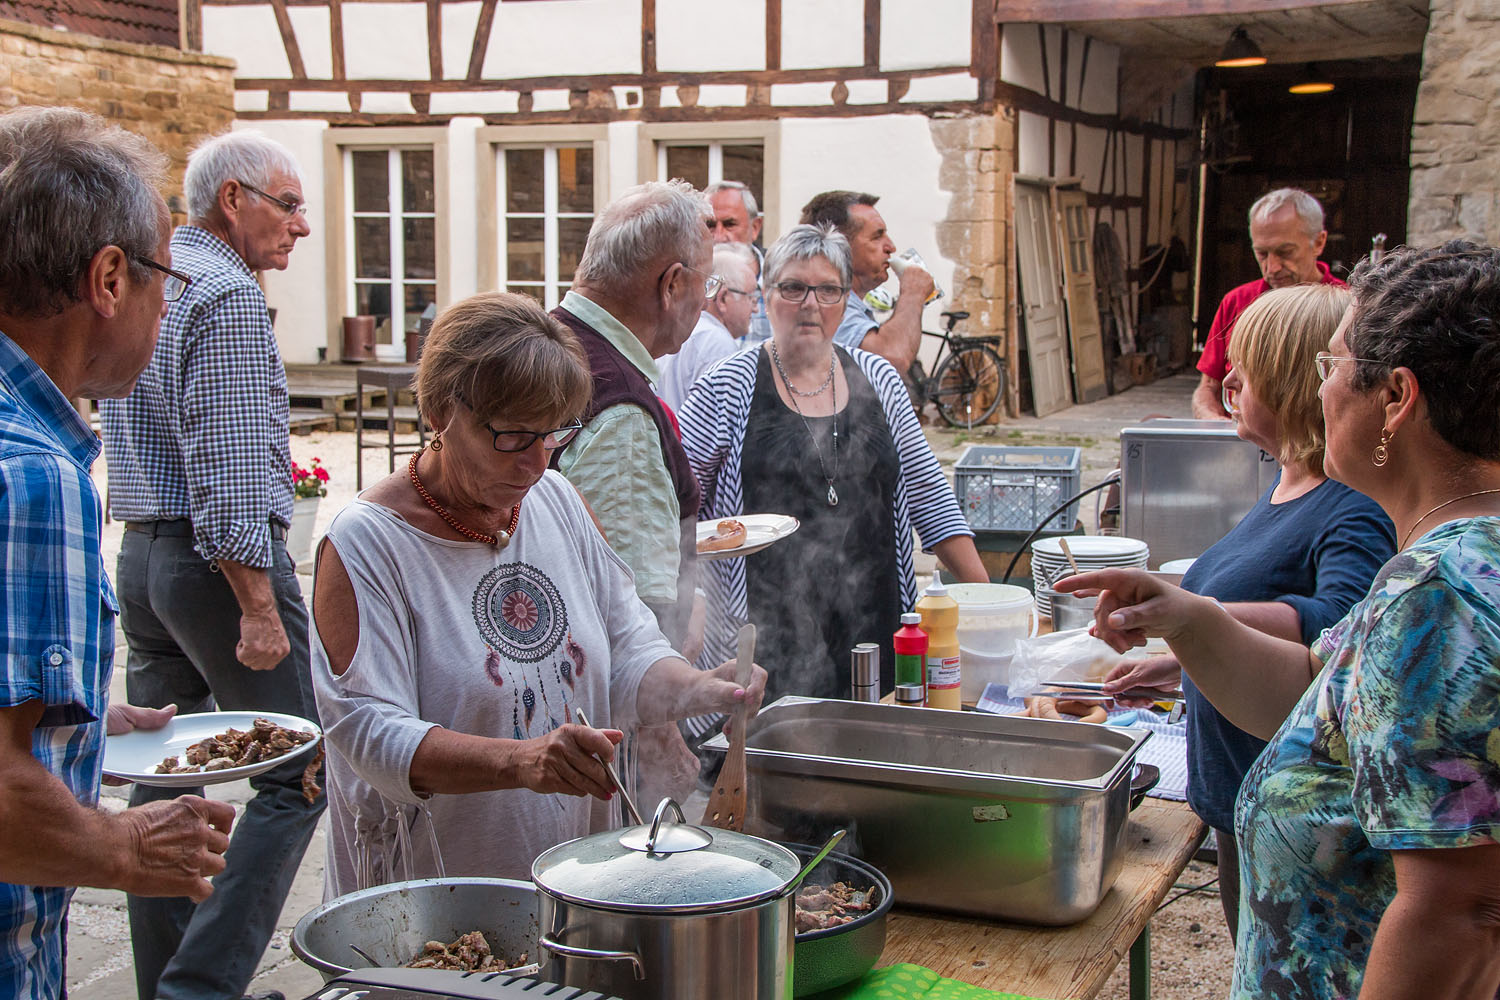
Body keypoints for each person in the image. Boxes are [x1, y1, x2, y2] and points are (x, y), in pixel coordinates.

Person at [1060, 241, 1500, 999]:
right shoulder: (1446, 562)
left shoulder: (1440, 593)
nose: (1321, 386)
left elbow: (1462, 912)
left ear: (1396, 398)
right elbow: (1313, 691)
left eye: (1332, 365)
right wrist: (1189, 621)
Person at [309, 292, 768, 894]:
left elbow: (629, 649)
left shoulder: (557, 502)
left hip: (573, 886)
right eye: (511, 436)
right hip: (428, 908)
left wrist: (699, 688)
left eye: (551, 435)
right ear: (440, 410)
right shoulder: (367, 543)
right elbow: (369, 733)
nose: (533, 463)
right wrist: (520, 760)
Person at [0, 106, 234, 1000]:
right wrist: (126, 845)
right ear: (108, 278)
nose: (167, 306)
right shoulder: (32, 475)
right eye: (163, 278)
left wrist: (76, 725)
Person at [97, 129, 324, 1000]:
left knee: (167, 775)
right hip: (215, 567)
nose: (301, 225)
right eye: (288, 204)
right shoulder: (225, 293)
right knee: (299, 774)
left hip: (146, 556)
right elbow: (227, 471)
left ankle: (166, 984)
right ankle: (199, 990)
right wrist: (258, 606)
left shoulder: (163, 277)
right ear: (233, 199)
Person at [1102, 283, 1394, 940]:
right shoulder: (1289, 484)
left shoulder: (1352, 504)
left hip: (1298, 830)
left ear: (1295, 382)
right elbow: (1265, 632)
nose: (1227, 381)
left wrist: (1191, 618)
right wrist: (1186, 665)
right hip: (1243, 804)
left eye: (1247, 368)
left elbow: (1340, 631)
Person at [679, 224, 987, 712]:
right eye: (793, 287)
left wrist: (989, 603)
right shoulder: (725, 386)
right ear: (765, 296)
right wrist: (687, 601)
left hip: (876, 621)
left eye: (828, 290)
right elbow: (677, 506)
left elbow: (931, 499)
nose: (811, 304)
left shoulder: (879, 379)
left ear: (846, 299)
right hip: (764, 634)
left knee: (878, 744)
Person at [1193, 188, 1345, 420]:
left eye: (1285, 252)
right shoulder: (1237, 302)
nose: (1272, 268)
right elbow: (1208, 388)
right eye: (1262, 254)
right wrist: (1214, 424)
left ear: (1318, 242)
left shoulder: (1349, 306)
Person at [799, 190, 935, 373]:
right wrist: (913, 292)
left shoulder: (839, 300)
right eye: (877, 237)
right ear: (840, 246)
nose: (891, 247)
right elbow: (892, 360)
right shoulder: (824, 302)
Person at [658, 242, 758, 411]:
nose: (755, 308)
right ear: (723, 298)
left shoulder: (682, 330)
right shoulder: (718, 345)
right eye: (750, 297)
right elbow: (720, 419)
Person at [705, 180, 771, 344]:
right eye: (710, 225)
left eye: (730, 224)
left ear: (755, 227)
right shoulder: (684, 286)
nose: (719, 236)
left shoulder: (781, 284)